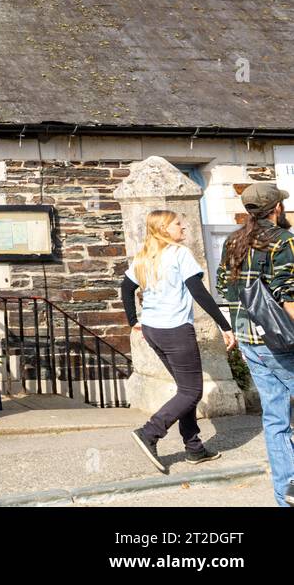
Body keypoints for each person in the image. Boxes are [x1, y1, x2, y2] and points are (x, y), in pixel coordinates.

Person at [122, 209, 236, 473]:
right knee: (191, 391)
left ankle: (194, 448)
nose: (183, 229)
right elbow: (199, 291)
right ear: (164, 229)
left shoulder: (144, 257)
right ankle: (149, 433)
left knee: (185, 388)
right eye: (178, 225)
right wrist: (225, 325)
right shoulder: (179, 254)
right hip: (174, 330)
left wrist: (133, 320)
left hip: (153, 330)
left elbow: (126, 289)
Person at [215, 182, 294, 507]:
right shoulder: (283, 241)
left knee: (276, 420)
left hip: (250, 340)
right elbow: (286, 292)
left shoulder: (233, 241)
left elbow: (223, 284)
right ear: (276, 208)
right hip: (282, 341)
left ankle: (285, 494)